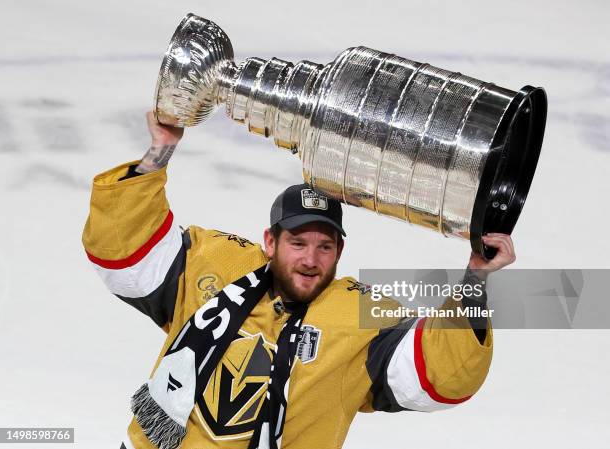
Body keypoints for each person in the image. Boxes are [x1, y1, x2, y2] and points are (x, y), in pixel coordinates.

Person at [82, 112, 516, 449]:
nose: (311, 259)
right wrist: (159, 151)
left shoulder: (361, 316)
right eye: (298, 242)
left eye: (325, 246)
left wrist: (475, 277)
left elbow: (442, 372)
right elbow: (123, 251)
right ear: (270, 242)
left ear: (340, 252)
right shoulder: (213, 262)